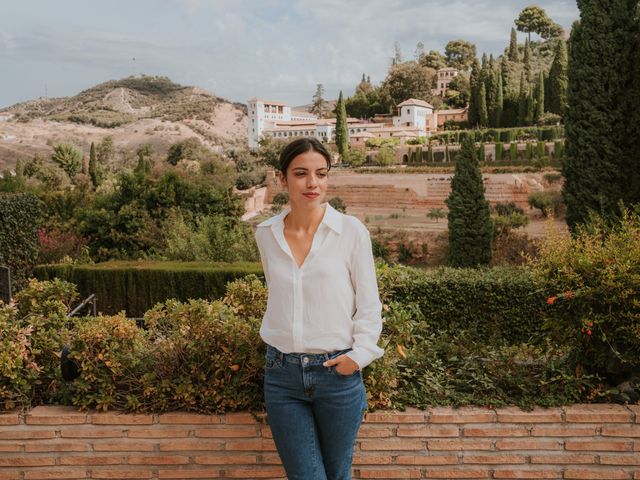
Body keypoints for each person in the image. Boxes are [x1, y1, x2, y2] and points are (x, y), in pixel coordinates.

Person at [254, 137, 384, 480]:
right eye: (301, 174)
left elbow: (369, 303)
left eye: (321, 173)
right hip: (282, 375)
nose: (313, 183)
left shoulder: (351, 232)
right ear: (282, 179)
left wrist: (360, 355)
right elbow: (277, 295)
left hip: (336, 373)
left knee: (337, 475)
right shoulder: (266, 234)